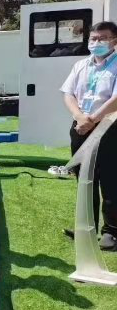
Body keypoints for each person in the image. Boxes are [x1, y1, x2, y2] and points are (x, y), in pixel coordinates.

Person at [61, 21, 117, 249]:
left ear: (114, 41)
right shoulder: (81, 65)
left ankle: (111, 232)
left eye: (102, 38)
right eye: (93, 38)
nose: (96, 42)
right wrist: (80, 117)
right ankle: (86, 226)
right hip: (80, 127)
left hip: (109, 128)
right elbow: (68, 94)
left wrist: (92, 119)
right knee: (85, 178)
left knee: (111, 180)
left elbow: (115, 99)